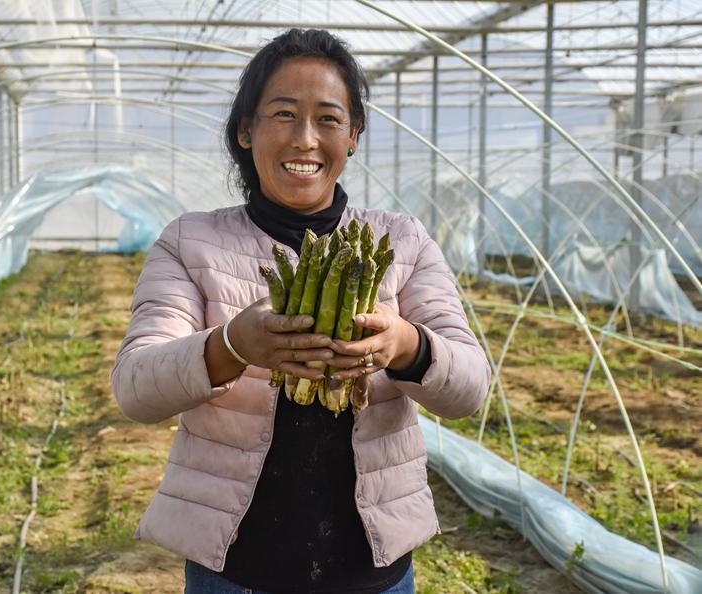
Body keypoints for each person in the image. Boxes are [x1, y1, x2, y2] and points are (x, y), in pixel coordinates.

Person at [111, 28, 490, 594]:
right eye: (284, 114)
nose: (305, 139)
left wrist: (405, 345)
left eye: (328, 119)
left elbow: (470, 389)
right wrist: (232, 346)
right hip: (236, 571)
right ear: (246, 130)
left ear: (353, 136)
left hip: (373, 572)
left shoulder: (401, 241)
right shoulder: (190, 242)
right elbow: (136, 389)